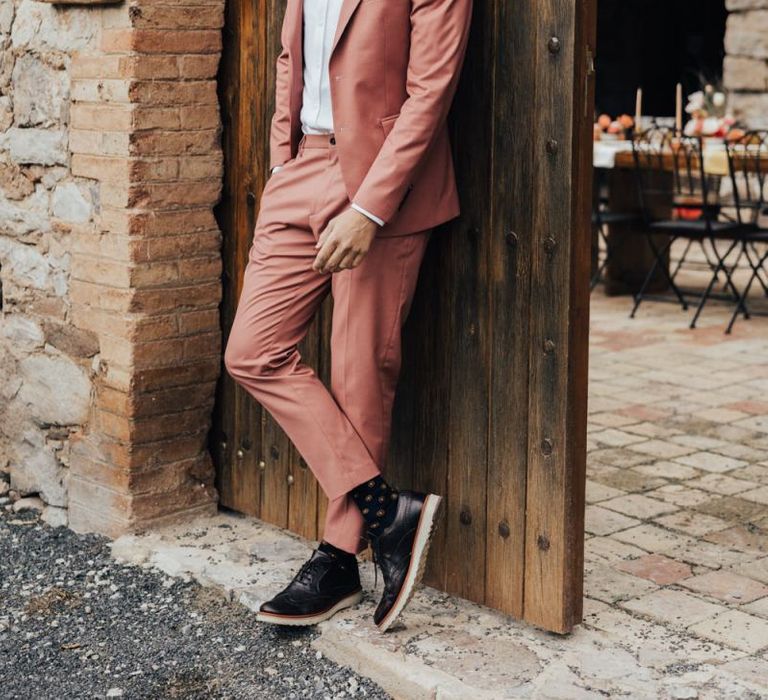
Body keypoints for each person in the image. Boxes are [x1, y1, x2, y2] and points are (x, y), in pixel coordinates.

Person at [223, 0, 472, 632]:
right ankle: (388, 512)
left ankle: (337, 558)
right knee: (252, 351)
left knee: (362, 374)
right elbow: (290, 57)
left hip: (379, 181)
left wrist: (370, 208)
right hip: (301, 168)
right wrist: (283, 157)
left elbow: (430, 90)